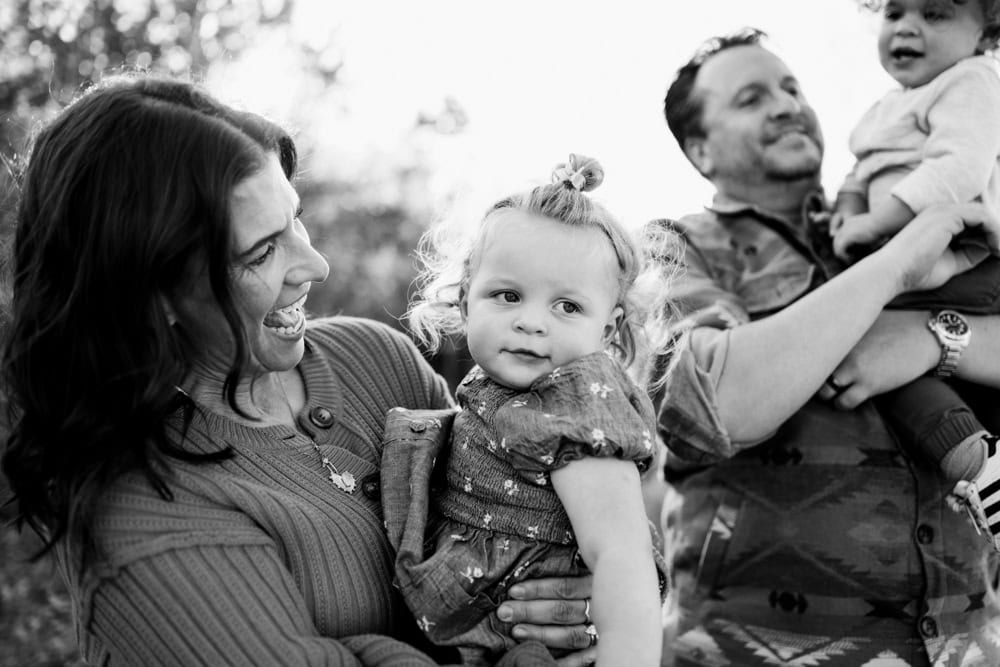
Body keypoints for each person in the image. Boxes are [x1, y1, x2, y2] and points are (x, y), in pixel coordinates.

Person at [0, 74, 602, 667]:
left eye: (295, 218)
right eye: (261, 250)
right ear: (150, 292)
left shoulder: (374, 357)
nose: (314, 264)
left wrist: (594, 595)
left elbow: (543, 504)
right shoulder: (146, 515)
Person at [647, 27, 1000, 666]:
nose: (786, 104)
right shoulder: (673, 248)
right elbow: (715, 406)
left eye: (791, 88)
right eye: (751, 98)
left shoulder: (885, 219)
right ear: (701, 150)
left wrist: (933, 340)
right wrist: (894, 270)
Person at [380, 155, 670, 667]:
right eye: (507, 295)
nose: (531, 322)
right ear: (467, 302)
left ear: (607, 328)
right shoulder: (496, 387)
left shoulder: (578, 404)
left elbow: (621, 558)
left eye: (568, 307)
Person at [830, 0, 1000, 549]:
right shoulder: (887, 107)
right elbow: (861, 170)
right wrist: (846, 213)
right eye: (895, 11)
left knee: (859, 338)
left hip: (962, 255)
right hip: (914, 261)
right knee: (876, 355)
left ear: (986, 30)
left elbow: (960, 168)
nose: (907, 26)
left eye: (936, 14)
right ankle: (972, 453)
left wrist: (877, 221)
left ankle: (979, 462)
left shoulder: (970, 81)